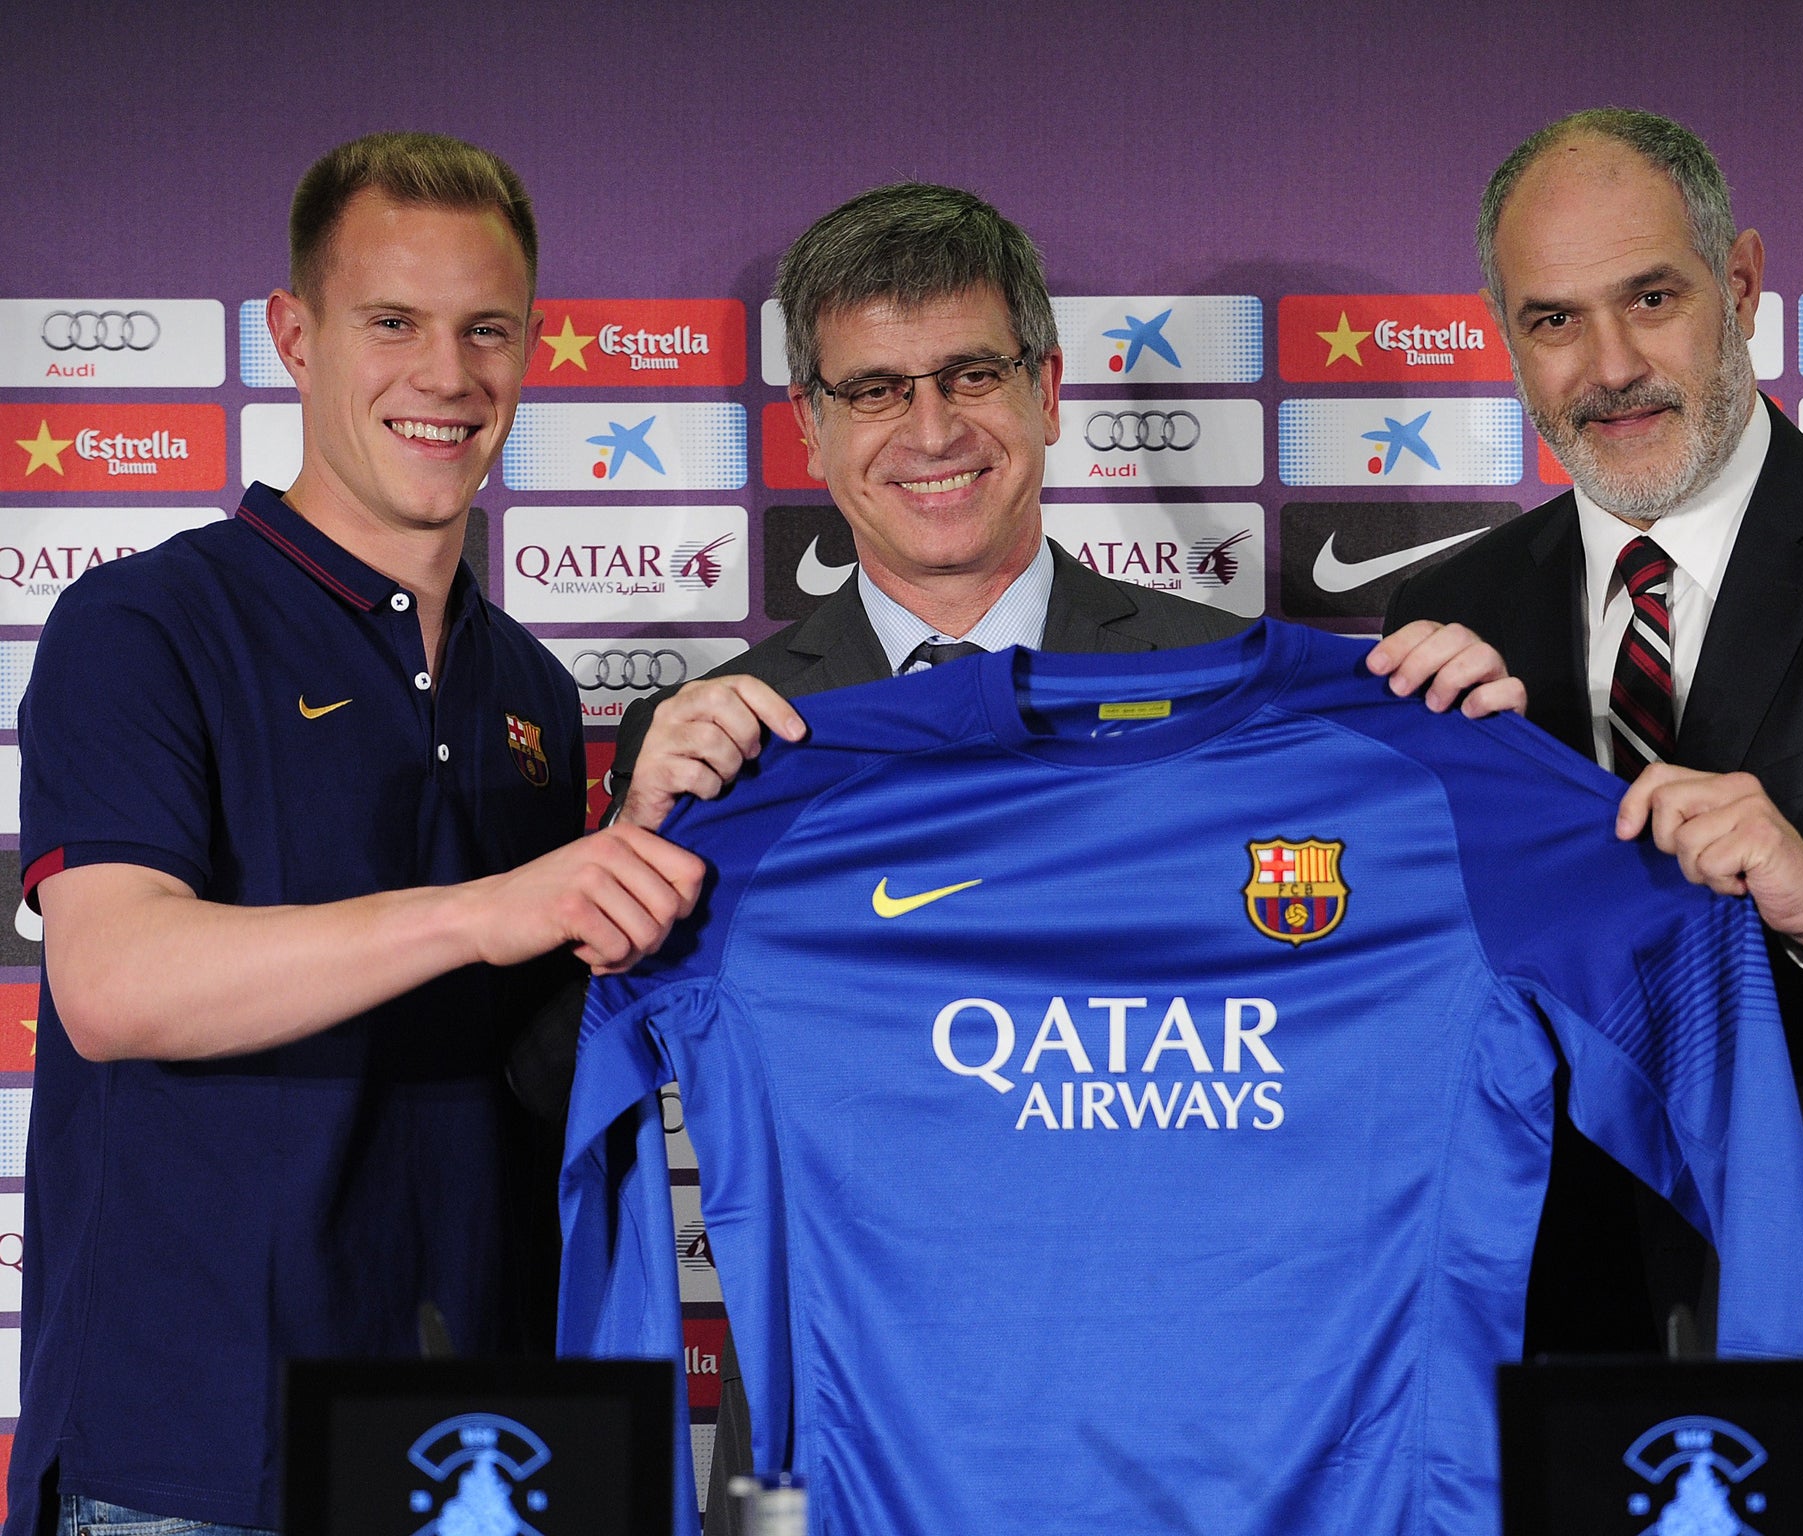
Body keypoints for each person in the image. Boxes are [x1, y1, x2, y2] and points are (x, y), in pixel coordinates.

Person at [600, 181, 1521, 1534]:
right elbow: (569, 1081)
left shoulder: (1263, 709)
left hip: (1212, 1457)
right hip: (855, 1468)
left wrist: (1468, 765)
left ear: (1049, 386)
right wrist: (631, 854)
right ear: (807, 425)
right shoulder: (717, 749)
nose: (930, 429)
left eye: (971, 373)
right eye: (874, 389)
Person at [7, 133, 704, 1536]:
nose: (446, 376)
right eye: (393, 323)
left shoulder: (530, 687)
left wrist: (641, 848)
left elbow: (527, 1054)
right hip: (196, 1460)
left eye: (485, 329)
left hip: (467, 1456)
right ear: (292, 334)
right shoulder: (144, 626)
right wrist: (483, 909)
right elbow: (115, 984)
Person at [1384, 108, 1803, 1534]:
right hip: (1562, 1331)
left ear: (1741, 287)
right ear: (1505, 340)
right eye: (1554, 319)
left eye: (1652, 298)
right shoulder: (1441, 625)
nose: (1609, 367)